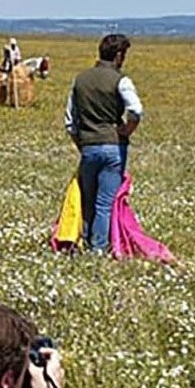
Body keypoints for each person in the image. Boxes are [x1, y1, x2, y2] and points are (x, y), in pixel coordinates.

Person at [64, 33, 144, 256]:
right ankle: (98, 249)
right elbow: (136, 110)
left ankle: (85, 243)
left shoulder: (80, 80)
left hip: (88, 147)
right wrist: (127, 130)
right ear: (119, 56)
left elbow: (70, 122)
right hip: (113, 147)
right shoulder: (121, 80)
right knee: (105, 202)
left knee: (87, 199)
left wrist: (82, 144)